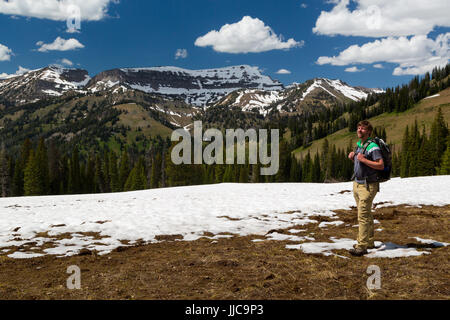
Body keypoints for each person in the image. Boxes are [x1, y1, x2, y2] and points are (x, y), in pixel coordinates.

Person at [348, 120, 384, 256]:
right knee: (366, 213)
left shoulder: (372, 146)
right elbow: (362, 162)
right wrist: (354, 158)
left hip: (368, 185)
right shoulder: (360, 145)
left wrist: (363, 160)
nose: (359, 130)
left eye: (363, 129)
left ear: (368, 131)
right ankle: (369, 241)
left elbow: (380, 164)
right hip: (357, 184)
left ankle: (361, 246)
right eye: (358, 128)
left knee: (362, 215)